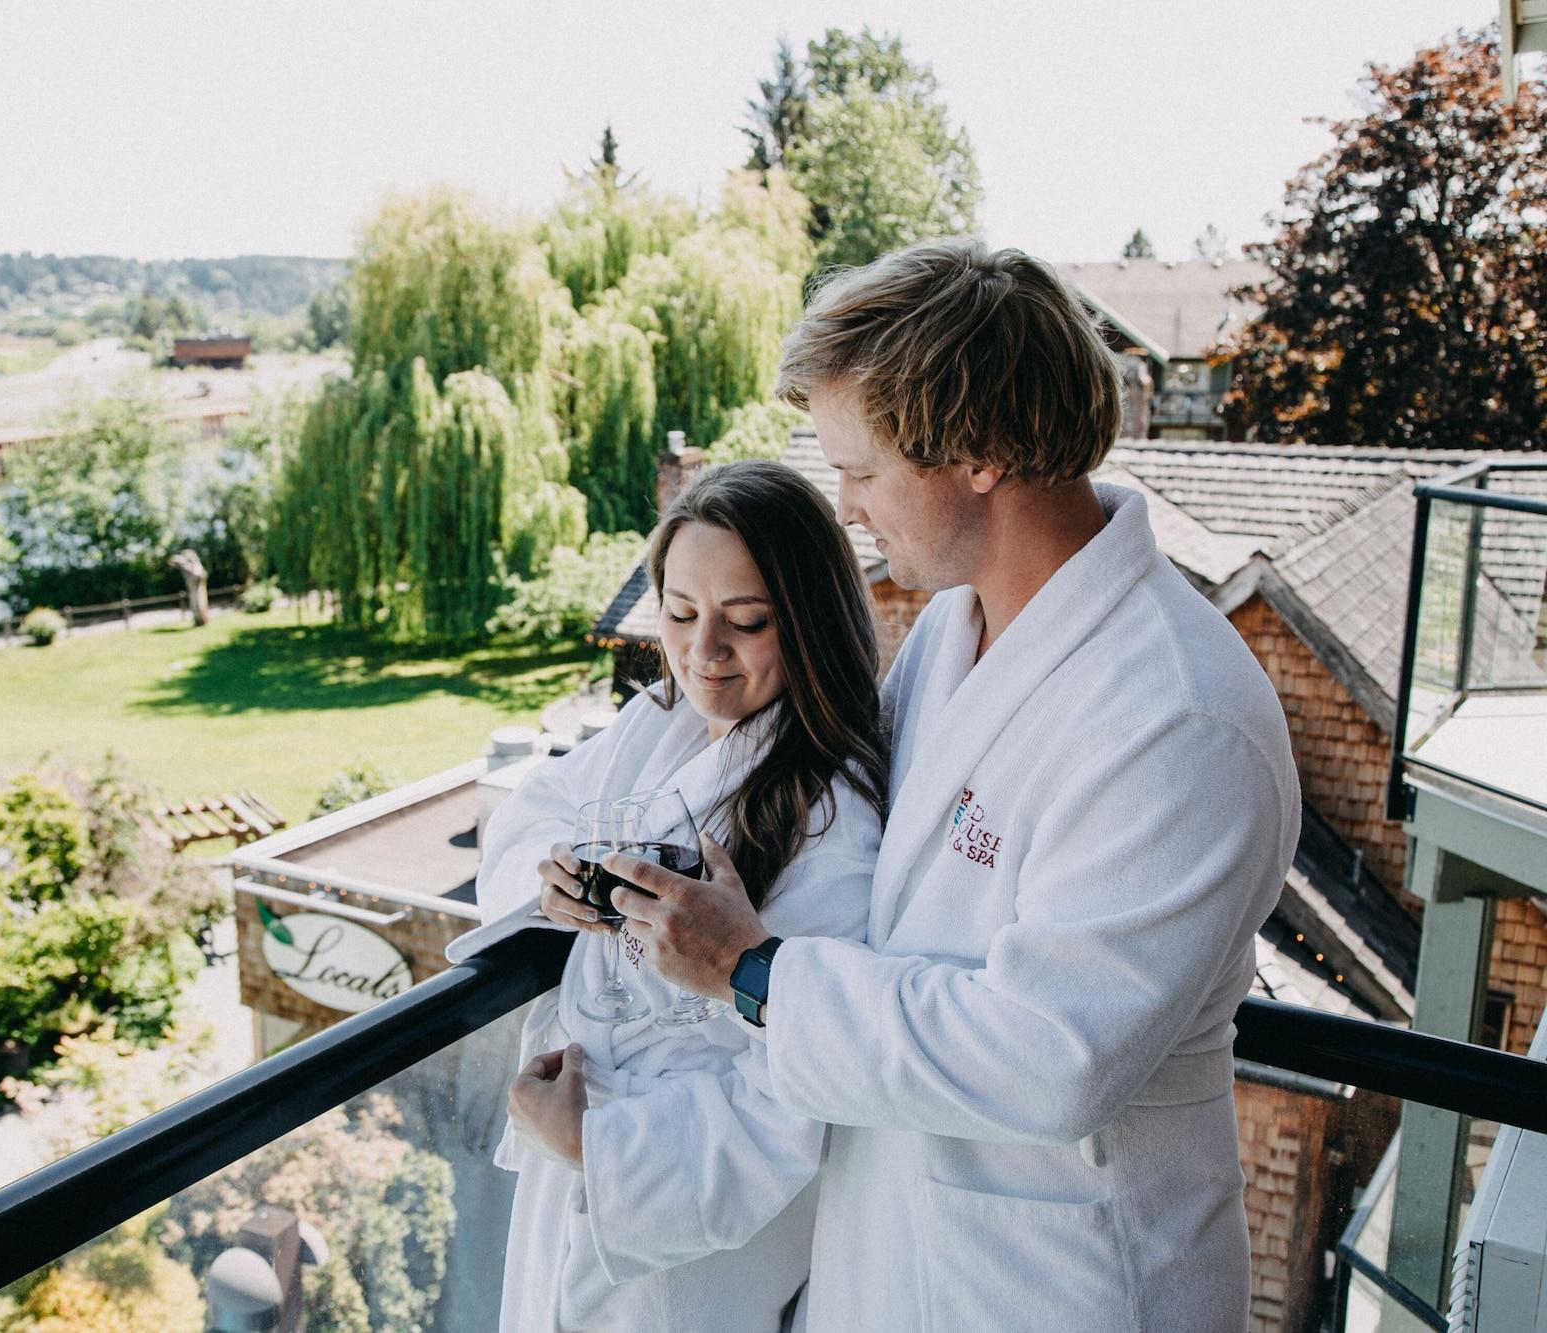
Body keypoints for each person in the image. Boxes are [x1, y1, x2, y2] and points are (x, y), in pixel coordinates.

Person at [610, 239, 1301, 1332]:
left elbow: (1045, 1056)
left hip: (1061, 1281)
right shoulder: (951, 630)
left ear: (977, 451)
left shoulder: (1174, 719)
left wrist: (752, 970)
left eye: (863, 469)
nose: (842, 505)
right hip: (899, 1243)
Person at [445, 460, 889, 1332]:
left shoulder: (831, 815)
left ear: (810, 620)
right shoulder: (663, 723)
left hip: (678, 1229)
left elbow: (802, 1078)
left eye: (747, 621)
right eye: (680, 614)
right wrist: (552, 873)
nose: (702, 651)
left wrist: (594, 1147)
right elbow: (536, 806)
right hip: (571, 1155)